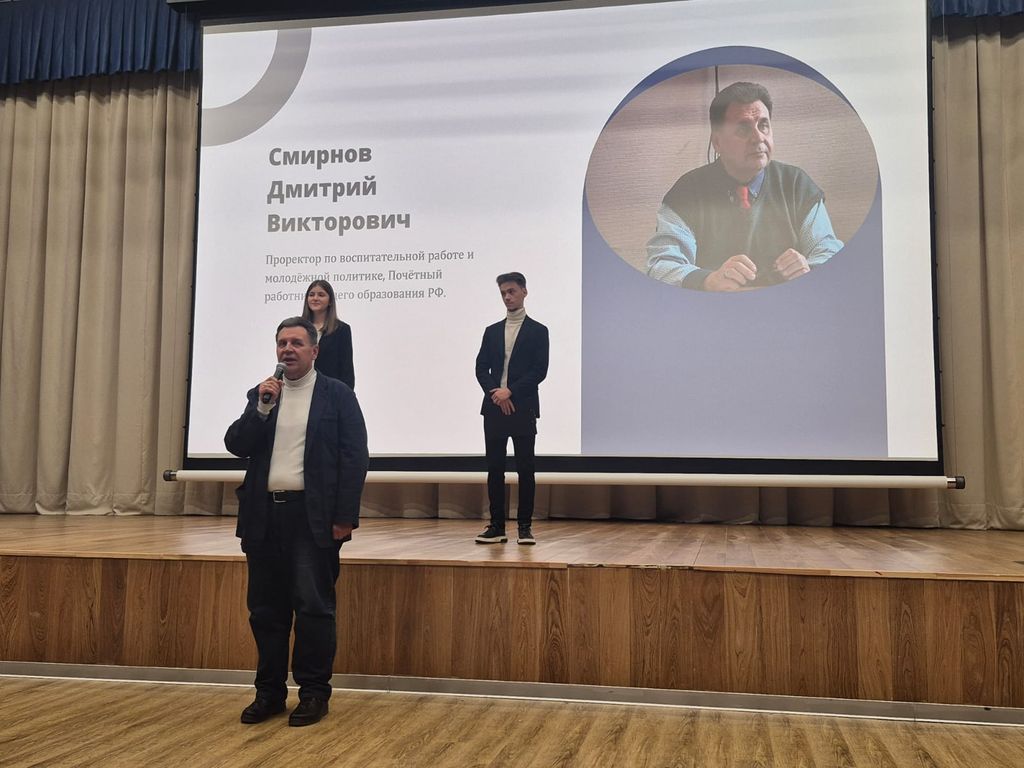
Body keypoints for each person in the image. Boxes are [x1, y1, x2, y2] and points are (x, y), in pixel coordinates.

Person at [225, 317, 368, 727]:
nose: (288, 349)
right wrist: (261, 408)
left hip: (312, 518)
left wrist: (345, 517)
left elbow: (354, 457)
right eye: (282, 343)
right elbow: (236, 444)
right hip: (264, 518)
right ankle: (269, 693)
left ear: (314, 351)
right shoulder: (264, 394)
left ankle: (313, 693)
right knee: (265, 611)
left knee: (313, 608)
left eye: (296, 343)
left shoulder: (337, 395)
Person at [646, 81, 844, 291]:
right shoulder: (687, 192)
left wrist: (810, 269)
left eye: (763, 125)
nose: (758, 137)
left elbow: (829, 252)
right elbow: (661, 266)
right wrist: (708, 280)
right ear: (717, 142)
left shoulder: (796, 184)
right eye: (743, 128)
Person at [474, 272, 549, 545]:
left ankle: (524, 527)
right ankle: (497, 527)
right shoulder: (492, 331)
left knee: (525, 469)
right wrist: (497, 393)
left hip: (523, 406)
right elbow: (481, 368)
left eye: (512, 291)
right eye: (503, 293)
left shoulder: (538, 331)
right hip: (494, 407)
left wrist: (511, 391)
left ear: (524, 291)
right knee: (495, 468)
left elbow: (539, 371)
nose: (507, 297)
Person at [301, 280, 355, 390]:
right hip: (300, 388)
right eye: (311, 295)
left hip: (329, 390)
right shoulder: (298, 327)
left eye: (321, 295)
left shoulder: (341, 329)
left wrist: (346, 395)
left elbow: (346, 369)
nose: (315, 298)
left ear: (330, 301)